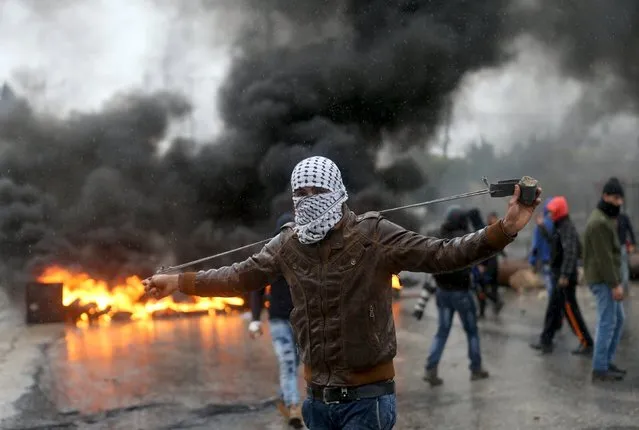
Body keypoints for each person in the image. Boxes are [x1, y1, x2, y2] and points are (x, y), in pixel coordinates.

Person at [143, 156, 541, 429]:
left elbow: (443, 254)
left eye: (316, 191)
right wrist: (179, 281)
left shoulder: (373, 236)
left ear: (335, 191)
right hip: (317, 401)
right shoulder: (287, 245)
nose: (307, 201)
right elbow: (238, 276)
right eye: (300, 194)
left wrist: (503, 229)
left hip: (367, 400)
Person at [423, 206, 490, 386]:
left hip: (442, 292)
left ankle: (431, 368)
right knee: (472, 332)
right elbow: (482, 243)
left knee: (442, 332)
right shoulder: (464, 238)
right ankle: (476, 369)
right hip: (461, 292)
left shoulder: (438, 235)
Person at [249, 212, 303, 428]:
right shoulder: (271, 256)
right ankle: (293, 407)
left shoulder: (305, 254)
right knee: (288, 361)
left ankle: (283, 397)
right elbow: (257, 289)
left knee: (296, 362)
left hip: (299, 320)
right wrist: (254, 319)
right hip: (279, 320)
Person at [529, 196, 594, 355]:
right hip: (559, 275)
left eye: (552, 211)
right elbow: (553, 242)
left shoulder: (567, 228)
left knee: (570, 311)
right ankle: (546, 341)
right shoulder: (560, 226)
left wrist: (565, 274)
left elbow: (572, 252)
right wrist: (542, 227)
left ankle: (586, 343)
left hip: (565, 278)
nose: (550, 214)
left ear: (559, 211)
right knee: (553, 309)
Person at [583, 177, 626, 382]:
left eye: (621, 198)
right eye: (616, 198)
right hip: (603, 279)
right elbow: (604, 258)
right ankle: (599, 368)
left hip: (605, 278)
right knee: (608, 322)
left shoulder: (604, 218)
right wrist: (615, 284)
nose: (619, 202)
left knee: (618, 321)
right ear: (606, 196)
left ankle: (606, 362)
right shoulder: (599, 222)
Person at [476, 212, 505, 317]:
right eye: (491, 218)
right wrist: (480, 264)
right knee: (482, 288)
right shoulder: (485, 230)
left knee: (491, 286)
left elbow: (501, 244)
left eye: (494, 218)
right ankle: (483, 310)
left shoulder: (498, 230)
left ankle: (496, 303)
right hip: (485, 262)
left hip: (492, 263)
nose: (493, 220)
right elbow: (481, 248)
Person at [529, 197, 555, 296]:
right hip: (558, 261)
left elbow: (536, 246)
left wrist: (532, 261)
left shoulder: (540, 226)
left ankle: (554, 308)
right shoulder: (558, 224)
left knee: (550, 288)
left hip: (546, 261)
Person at [617, 210, 636, 296]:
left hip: (617, 246)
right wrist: (633, 243)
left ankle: (620, 287)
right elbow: (631, 230)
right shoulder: (624, 217)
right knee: (624, 267)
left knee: (620, 267)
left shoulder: (611, 218)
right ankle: (625, 288)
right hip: (622, 246)